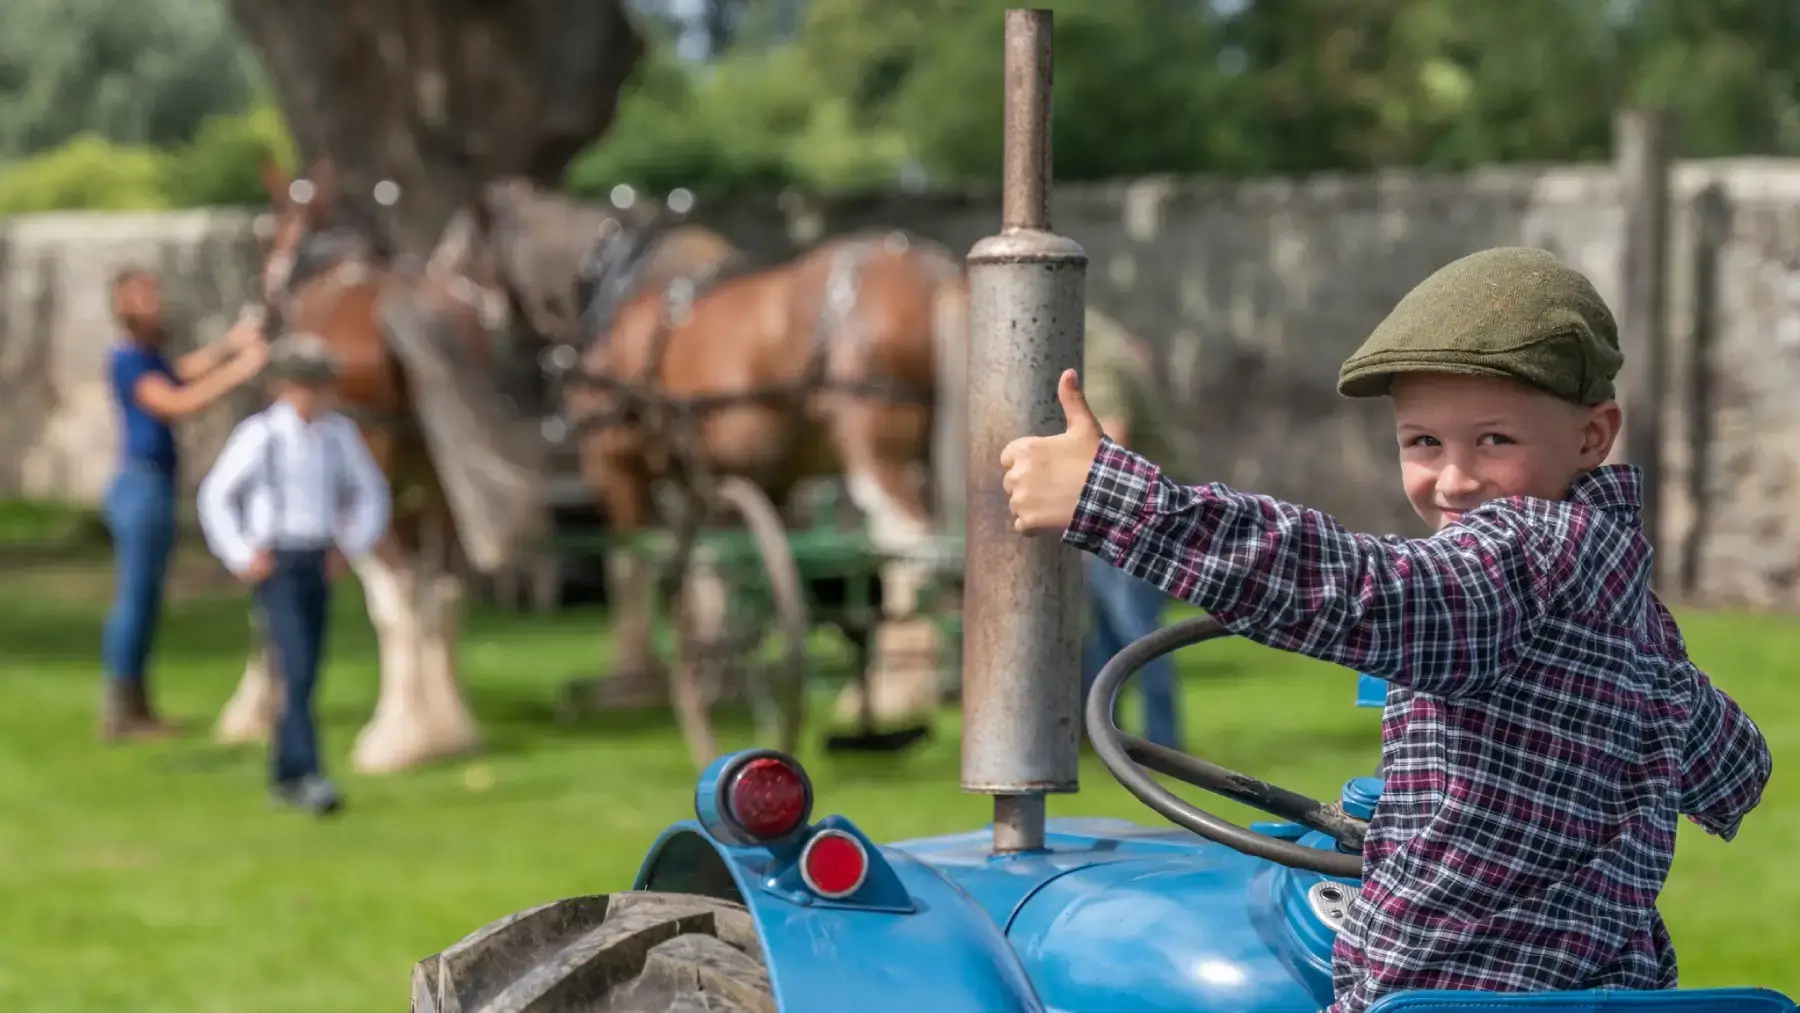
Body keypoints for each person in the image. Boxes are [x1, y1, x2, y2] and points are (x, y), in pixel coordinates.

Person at [1000, 247, 1771, 1013]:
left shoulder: (1521, 555)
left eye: (1494, 440)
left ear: (1593, 435)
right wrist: (1415, 815)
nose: (1455, 478)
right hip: (1608, 987)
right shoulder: (1626, 606)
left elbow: (1360, 590)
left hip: (1456, 990)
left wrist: (1116, 500)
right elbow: (1734, 769)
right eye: (1423, 442)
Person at [197, 333, 392, 816]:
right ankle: (308, 774)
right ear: (284, 387)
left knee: (305, 670)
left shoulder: (337, 436)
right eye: (307, 386)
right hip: (278, 561)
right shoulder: (261, 436)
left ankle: (285, 774)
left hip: (317, 556)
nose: (316, 397)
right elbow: (217, 495)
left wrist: (350, 544)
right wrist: (241, 553)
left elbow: (370, 493)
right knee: (296, 665)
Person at [102, 268, 269, 740]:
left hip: (154, 487)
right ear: (123, 306)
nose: (155, 301)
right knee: (135, 600)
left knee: (147, 599)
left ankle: (136, 708)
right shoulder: (127, 359)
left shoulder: (148, 356)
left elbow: (182, 371)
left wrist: (230, 345)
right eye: (143, 295)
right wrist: (242, 369)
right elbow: (175, 401)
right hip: (141, 488)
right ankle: (121, 712)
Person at [1079, 308, 1195, 749]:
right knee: (1110, 633)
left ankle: (1164, 744)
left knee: (1138, 632)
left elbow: (1112, 443)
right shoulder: (1107, 344)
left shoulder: (1100, 360)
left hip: (1140, 515)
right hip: (1129, 511)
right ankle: (1095, 738)